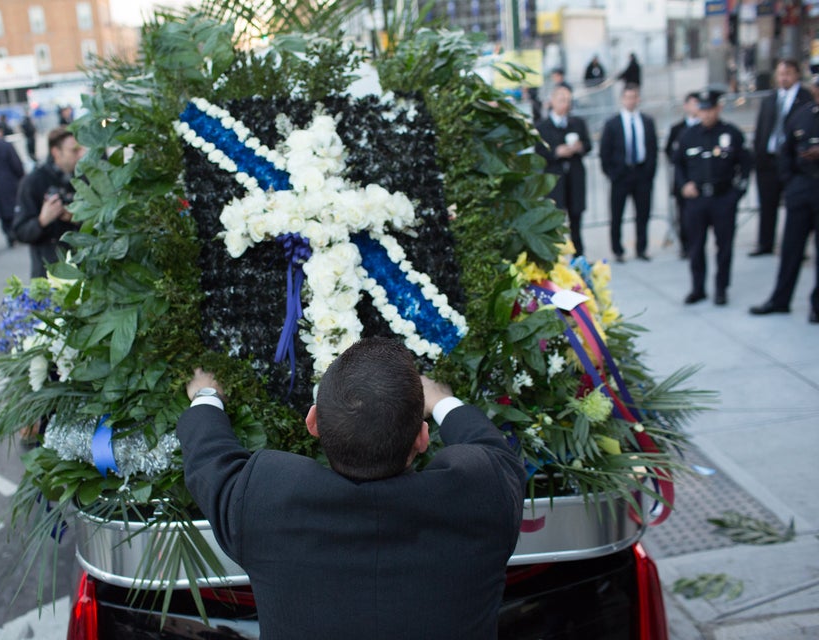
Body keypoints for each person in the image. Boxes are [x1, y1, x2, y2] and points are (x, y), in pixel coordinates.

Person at [177, 337, 526, 640]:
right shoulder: (481, 495)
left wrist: (207, 395)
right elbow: (497, 455)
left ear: (312, 422)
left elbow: (209, 460)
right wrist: (444, 402)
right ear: (422, 438)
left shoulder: (264, 500)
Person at [673, 88, 752, 306]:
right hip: (697, 201)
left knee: (724, 247)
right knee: (696, 246)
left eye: (710, 110)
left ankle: (721, 288)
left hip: (723, 198)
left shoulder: (731, 133)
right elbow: (677, 164)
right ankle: (698, 288)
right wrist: (683, 185)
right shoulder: (688, 135)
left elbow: (745, 164)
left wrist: (738, 192)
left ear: (718, 108)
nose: (705, 114)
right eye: (702, 110)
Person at [750, 75, 819, 323]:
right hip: (801, 189)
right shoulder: (802, 116)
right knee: (791, 249)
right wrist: (791, 184)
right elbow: (785, 152)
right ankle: (780, 300)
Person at [750, 59, 811, 256]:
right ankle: (765, 243)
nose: (783, 77)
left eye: (788, 73)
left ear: (796, 74)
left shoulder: (806, 98)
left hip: (794, 162)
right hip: (768, 160)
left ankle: (796, 249)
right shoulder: (770, 99)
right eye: (780, 74)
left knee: (795, 206)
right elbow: (761, 130)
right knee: (767, 203)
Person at [12, 127, 84, 278]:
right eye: (74, 151)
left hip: (84, 266)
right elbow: (19, 231)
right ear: (56, 152)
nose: (80, 155)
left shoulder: (84, 177)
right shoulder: (33, 182)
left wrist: (75, 217)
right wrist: (42, 221)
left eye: (81, 149)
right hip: (49, 273)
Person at [599, 84, 658, 262]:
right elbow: (605, 151)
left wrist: (649, 172)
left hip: (641, 174)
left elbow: (652, 148)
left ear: (638, 99)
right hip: (620, 175)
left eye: (634, 97)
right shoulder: (612, 124)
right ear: (622, 99)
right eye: (628, 97)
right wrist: (612, 173)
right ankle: (617, 250)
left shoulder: (647, 121)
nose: (631, 100)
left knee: (643, 214)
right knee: (617, 214)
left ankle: (641, 248)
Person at [536, 84, 592, 256]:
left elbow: (588, 145)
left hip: (574, 177)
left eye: (568, 100)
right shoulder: (542, 127)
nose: (565, 104)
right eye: (561, 100)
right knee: (555, 218)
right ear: (552, 101)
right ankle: (555, 256)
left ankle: (578, 254)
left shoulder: (577, 123)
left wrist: (579, 147)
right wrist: (556, 152)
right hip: (555, 180)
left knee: (576, 218)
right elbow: (539, 152)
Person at [665, 91, 702, 258]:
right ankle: (686, 246)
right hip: (683, 179)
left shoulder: (705, 128)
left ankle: (698, 245)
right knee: (683, 216)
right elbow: (670, 153)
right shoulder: (677, 129)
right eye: (692, 103)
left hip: (702, 179)